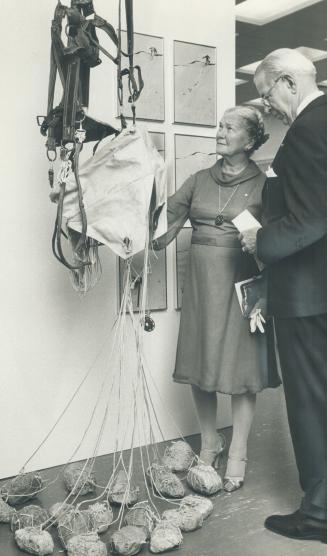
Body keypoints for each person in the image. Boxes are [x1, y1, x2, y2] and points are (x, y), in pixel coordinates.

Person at [154, 106, 280, 492]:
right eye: (219, 125)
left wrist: (269, 283)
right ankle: (210, 441)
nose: (220, 132)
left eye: (229, 127)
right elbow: (164, 223)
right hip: (202, 282)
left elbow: (278, 239)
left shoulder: (266, 185)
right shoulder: (197, 180)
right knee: (201, 359)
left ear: (250, 139)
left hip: (243, 281)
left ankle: (238, 449)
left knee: (242, 370)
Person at [240, 48, 327, 541]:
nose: (265, 106)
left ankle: (319, 513)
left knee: (312, 402)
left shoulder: (311, 128)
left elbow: (313, 216)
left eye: (266, 93)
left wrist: (261, 241)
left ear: (290, 83)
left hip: (309, 293)